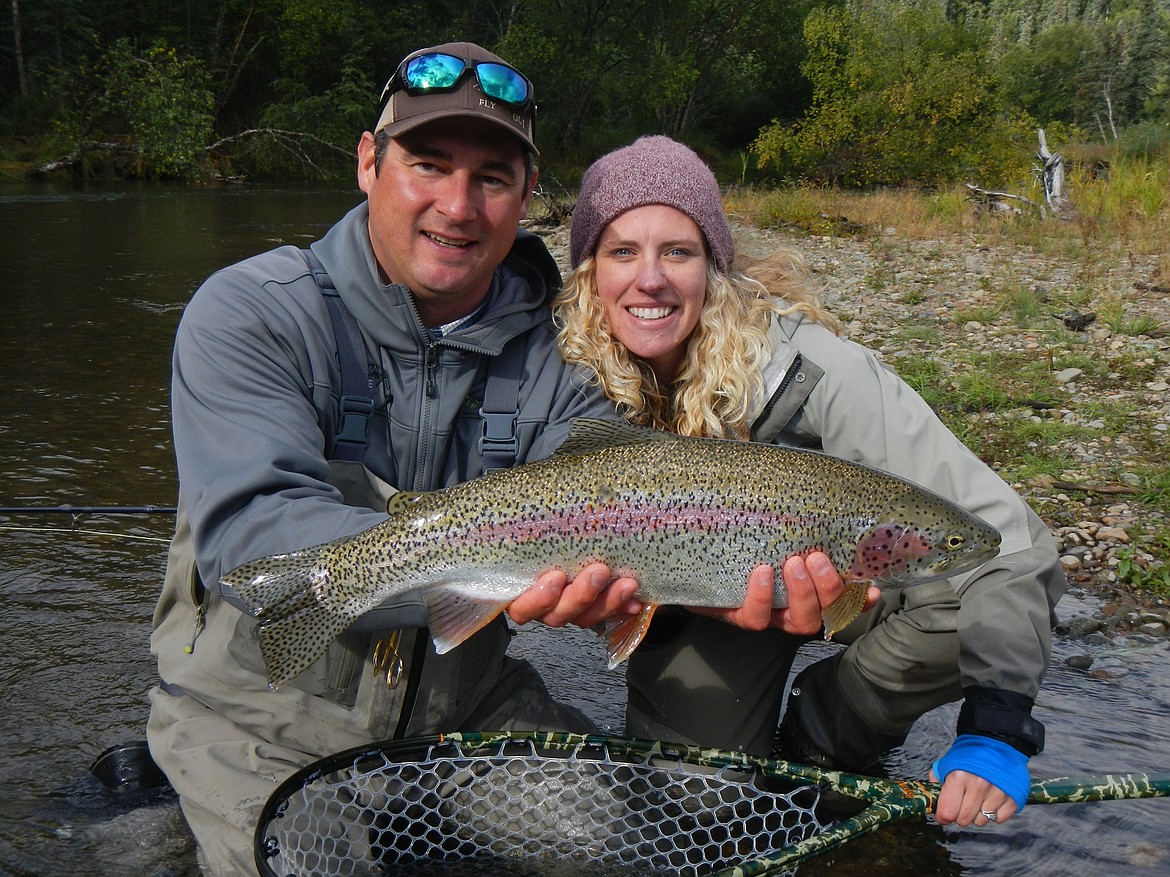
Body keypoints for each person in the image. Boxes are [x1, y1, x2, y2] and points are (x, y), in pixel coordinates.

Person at [146, 46, 842, 876]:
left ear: (525, 195)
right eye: (428, 165)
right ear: (370, 164)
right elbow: (252, 541)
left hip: (465, 716)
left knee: (645, 851)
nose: (457, 204)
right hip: (258, 720)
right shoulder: (252, 312)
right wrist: (457, 565)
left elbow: (625, 507)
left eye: (492, 177)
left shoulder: (565, 356)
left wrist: (704, 585)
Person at [554, 135, 1067, 830]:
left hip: (849, 576)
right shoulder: (567, 377)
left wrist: (997, 725)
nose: (651, 279)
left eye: (678, 251)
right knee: (690, 811)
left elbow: (1010, 543)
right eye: (622, 252)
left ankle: (829, 731)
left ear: (715, 266)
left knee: (963, 567)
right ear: (588, 272)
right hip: (700, 602)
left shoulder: (814, 372)